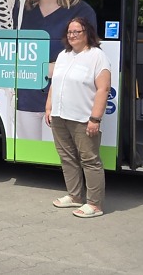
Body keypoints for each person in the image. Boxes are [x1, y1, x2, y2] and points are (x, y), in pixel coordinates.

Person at [15, 0, 97, 140]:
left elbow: (87, 59)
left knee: (59, 154)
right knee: (28, 152)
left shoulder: (82, 12)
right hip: (25, 99)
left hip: (65, 102)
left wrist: (43, 69)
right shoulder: (20, 10)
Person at [46, 17, 110, 218]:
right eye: (69, 32)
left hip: (83, 118)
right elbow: (55, 83)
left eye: (77, 31)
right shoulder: (63, 55)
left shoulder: (97, 56)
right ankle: (74, 196)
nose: (72, 35)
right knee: (67, 157)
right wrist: (49, 107)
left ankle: (95, 204)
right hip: (59, 116)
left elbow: (103, 89)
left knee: (90, 160)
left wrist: (95, 119)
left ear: (87, 33)